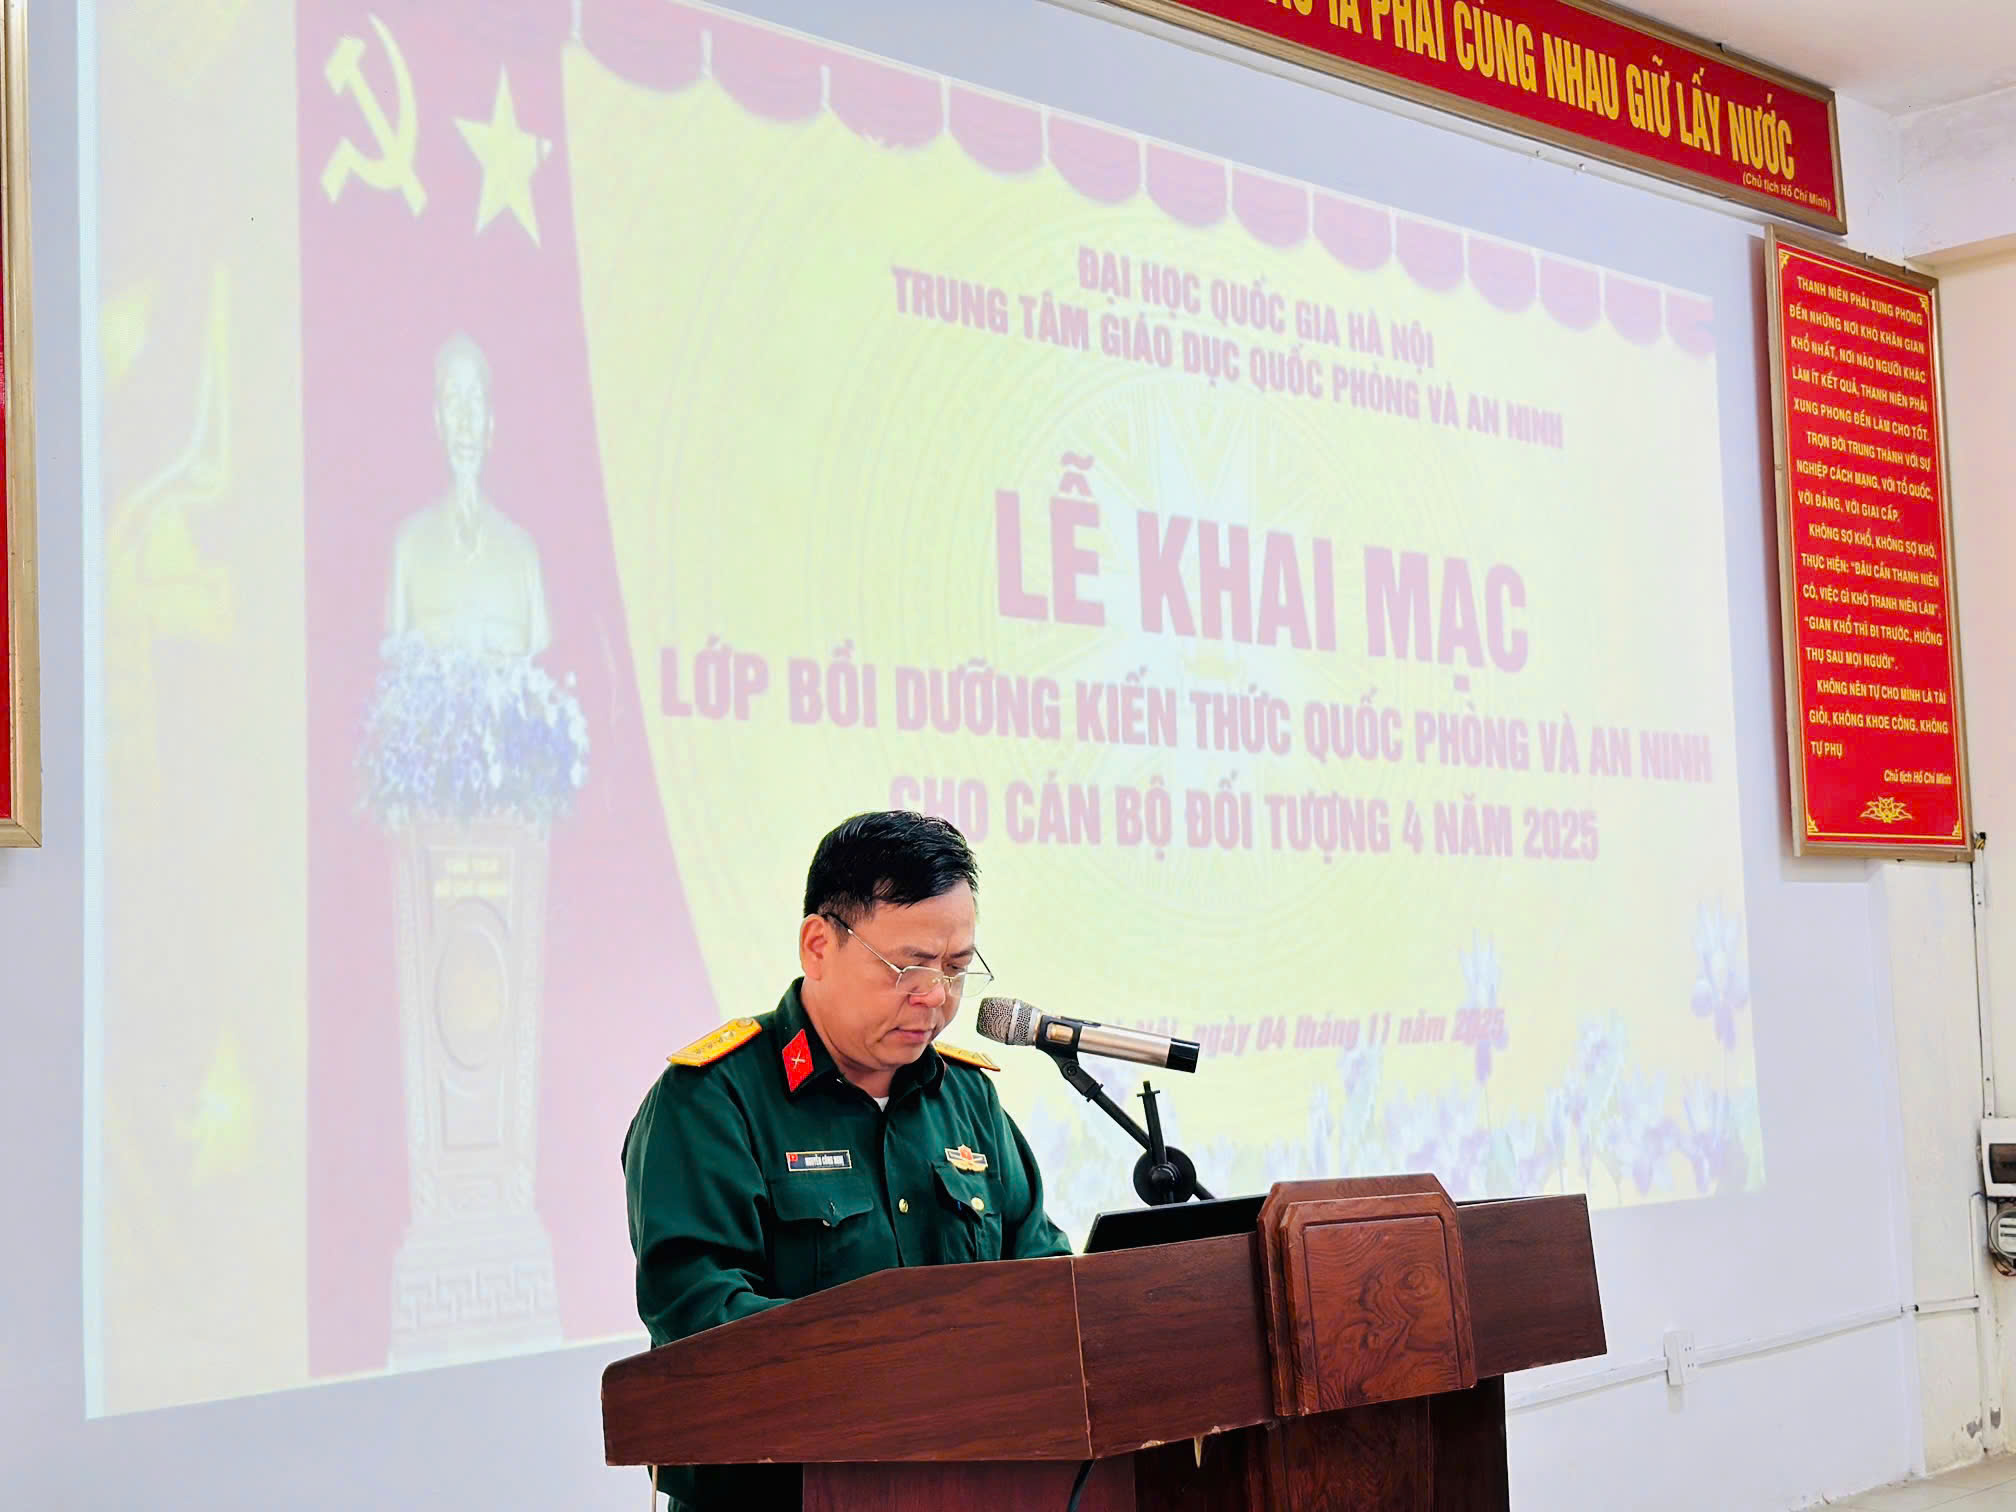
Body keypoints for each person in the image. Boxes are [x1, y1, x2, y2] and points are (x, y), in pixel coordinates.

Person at [622, 811, 1073, 1510]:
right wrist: (904, 1366)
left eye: (956, 969)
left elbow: (1043, 1279)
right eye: (908, 967)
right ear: (818, 945)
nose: (935, 997)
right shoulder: (713, 1099)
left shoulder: (969, 1098)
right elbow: (699, 1321)